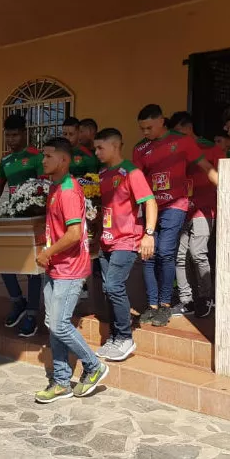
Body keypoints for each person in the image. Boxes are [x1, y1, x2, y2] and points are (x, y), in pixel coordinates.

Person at [34, 137, 109, 403]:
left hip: (70, 268)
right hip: (56, 267)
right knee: (52, 324)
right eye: (43, 156)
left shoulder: (67, 189)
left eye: (48, 156)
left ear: (64, 160)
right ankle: (62, 381)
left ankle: (94, 365)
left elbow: (75, 233)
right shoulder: (55, 187)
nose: (43, 160)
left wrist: (47, 253)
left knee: (59, 323)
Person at [133, 105, 218, 327]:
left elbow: (206, 167)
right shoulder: (140, 149)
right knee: (148, 255)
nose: (145, 132)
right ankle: (152, 305)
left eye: (149, 127)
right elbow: (135, 180)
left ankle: (165, 305)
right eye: (142, 128)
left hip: (175, 205)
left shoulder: (182, 141)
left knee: (165, 252)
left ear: (162, 121)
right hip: (151, 207)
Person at [94, 128, 158, 361]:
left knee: (113, 286)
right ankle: (114, 336)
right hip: (106, 242)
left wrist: (148, 234)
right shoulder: (102, 174)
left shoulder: (131, 172)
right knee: (107, 290)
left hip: (127, 240)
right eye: (95, 147)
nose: (96, 152)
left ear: (115, 145)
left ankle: (125, 338)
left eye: (100, 147)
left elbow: (150, 202)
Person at [0, 114, 43, 337]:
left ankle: (32, 313)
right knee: (3, 259)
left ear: (24, 133)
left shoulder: (36, 156)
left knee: (33, 267)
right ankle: (17, 301)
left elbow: (44, 186)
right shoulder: (5, 161)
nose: (11, 139)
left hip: (34, 217)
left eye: (15, 134)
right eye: (8, 136)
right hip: (11, 216)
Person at [169, 112, 224, 318]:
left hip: (205, 208)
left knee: (198, 252)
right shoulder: (176, 150)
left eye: (178, 132)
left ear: (188, 128)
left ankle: (206, 297)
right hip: (183, 208)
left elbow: (223, 177)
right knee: (180, 255)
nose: (175, 137)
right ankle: (187, 300)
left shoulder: (211, 148)